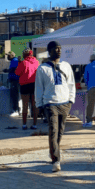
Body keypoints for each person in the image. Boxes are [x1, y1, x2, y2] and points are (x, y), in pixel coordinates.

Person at [36, 41, 75, 173]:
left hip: (65, 103)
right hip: (50, 103)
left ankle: (53, 151)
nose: (58, 50)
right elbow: (39, 88)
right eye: (55, 49)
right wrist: (39, 105)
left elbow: (71, 84)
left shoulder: (66, 66)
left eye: (60, 48)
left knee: (60, 131)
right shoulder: (42, 69)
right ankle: (56, 160)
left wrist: (71, 100)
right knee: (53, 130)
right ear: (49, 51)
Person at [15, 49, 40, 130]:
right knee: (35, 105)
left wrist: (19, 63)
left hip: (25, 85)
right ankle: (35, 124)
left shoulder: (23, 62)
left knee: (25, 106)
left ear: (24, 55)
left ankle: (24, 125)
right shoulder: (37, 62)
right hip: (34, 85)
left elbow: (17, 73)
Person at [4, 51, 21, 117]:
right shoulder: (13, 61)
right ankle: (15, 109)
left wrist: (6, 70)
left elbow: (13, 69)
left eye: (8, 55)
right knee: (14, 95)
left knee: (15, 95)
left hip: (15, 80)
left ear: (12, 55)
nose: (7, 57)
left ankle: (16, 110)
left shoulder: (14, 60)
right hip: (14, 80)